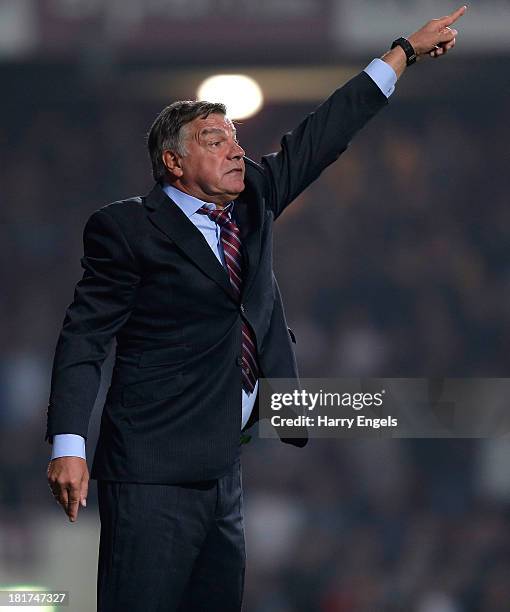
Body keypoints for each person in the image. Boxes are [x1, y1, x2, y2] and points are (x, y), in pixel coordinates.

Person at [46, 7, 467, 611]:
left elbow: (324, 133)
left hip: (224, 473)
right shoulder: (126, 229)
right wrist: (68, 444)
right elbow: (84, 339)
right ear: (173, 162)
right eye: (215, 141)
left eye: (236, 138)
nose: (236, 151)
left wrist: (402, 51)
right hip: (151, 477)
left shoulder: (254, 203)